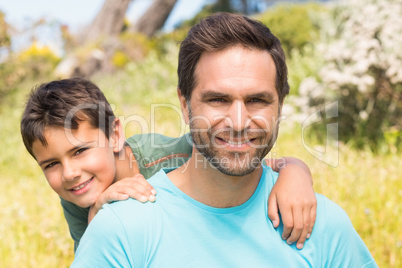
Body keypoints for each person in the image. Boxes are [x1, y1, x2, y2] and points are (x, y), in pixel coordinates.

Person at [71, 13, 377, 267]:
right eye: (217, 99)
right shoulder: (120, 231)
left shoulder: (320, 224)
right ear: (184, 104)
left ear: (280, 106)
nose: (239, 122)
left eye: (258, 100)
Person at [20, 77, 316, 253]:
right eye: (50, 165)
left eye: (81, 150)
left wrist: (295, 170)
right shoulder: (79, 194)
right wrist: (98, 211)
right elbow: (93, 256)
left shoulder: (169, 156)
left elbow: (250, 161)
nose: (69, 173)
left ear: (114, 135)